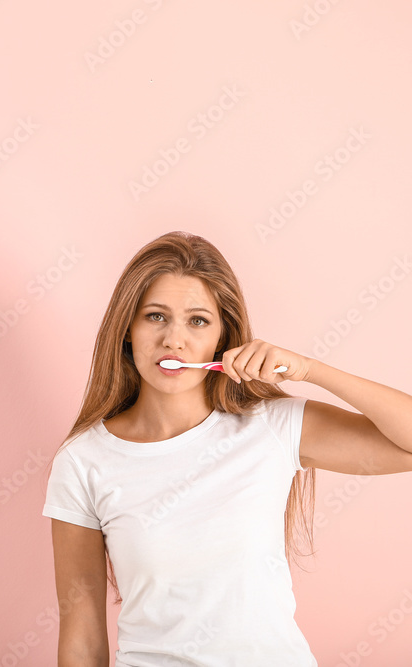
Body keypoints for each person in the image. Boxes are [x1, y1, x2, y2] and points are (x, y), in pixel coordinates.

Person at [43, 231, 412, 666]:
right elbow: (82, 633)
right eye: (155, 317)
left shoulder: (273, 425)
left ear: (223, 338)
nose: (173, 340)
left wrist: (310, 369)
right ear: (127, 330)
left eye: (197, 321)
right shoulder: (83, 461)